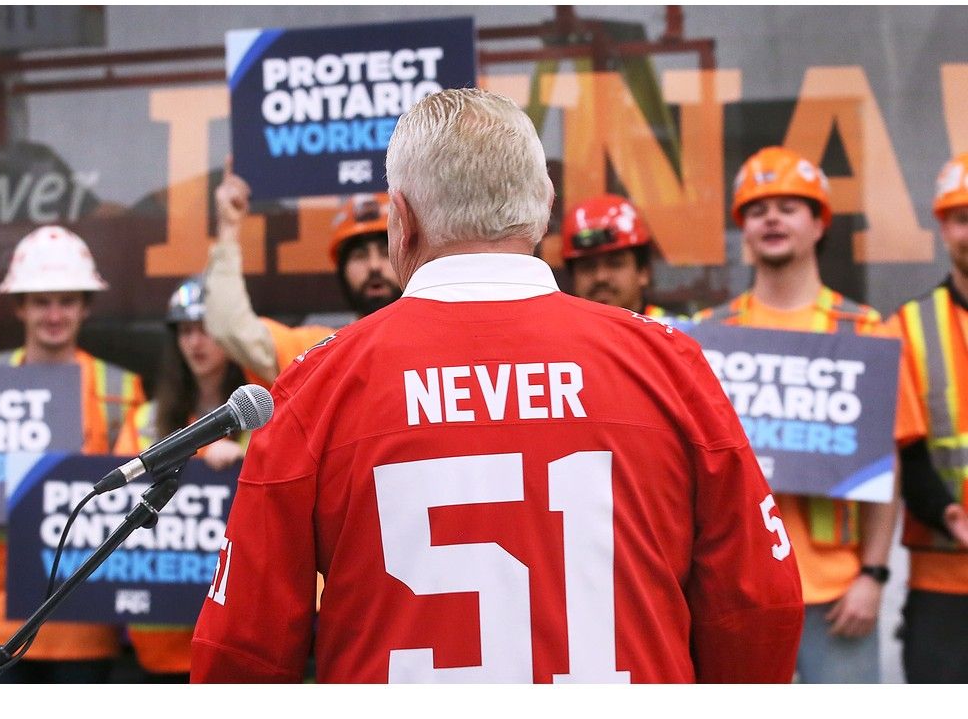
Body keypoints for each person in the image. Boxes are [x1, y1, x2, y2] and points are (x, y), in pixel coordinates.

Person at [191, 88, 803, 684]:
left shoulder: (321, 385)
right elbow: (759, 603)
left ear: (399, 220)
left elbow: (241, 648)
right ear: (544, 204)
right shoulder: (666, 364)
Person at [693, 145, 916, 683]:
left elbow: (884, 469)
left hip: (839, 598)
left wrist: (874, 575)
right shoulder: (708, 336)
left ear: (819, 224)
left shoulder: (862, 330)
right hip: (737, 595)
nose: (771, 217)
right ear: (743, 230)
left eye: (790, 206)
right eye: (756, 208)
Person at [0, 225, 145, 683]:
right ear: (19, 306)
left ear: (85, 306)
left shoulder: (120, 389)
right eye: (41, 300)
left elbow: (138, 497)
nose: (54, 314)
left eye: (66, 300)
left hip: (82, 627)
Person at [113, 275, 248, 682]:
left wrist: (243, 457)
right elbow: (119, 509)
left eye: (206, 327)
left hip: (230, 637)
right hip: (152, 641)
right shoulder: (145, 420)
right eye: (185, 330)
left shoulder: (263, 414)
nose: (195, 342)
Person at [204, 158, 403, 387]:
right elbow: (230, 327)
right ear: (341, 271)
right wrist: (229, 226)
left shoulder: (441, 337)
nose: (374, 266)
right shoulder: (322, 351)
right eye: (359, 256)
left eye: (385, 251)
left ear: (407, 253)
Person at [890, 152, 968, 683]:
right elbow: (909, 453)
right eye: (964, 217)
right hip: (944, 585)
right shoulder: (908, 327)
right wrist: (948, 513)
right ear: (943, 227)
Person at [561, 194, 669, 318]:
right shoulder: (557, 336)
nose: (600, 277)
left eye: (615, 263)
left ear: (643, 271)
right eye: (587, 267)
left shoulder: (680, 334)